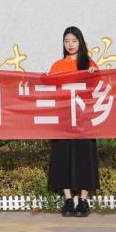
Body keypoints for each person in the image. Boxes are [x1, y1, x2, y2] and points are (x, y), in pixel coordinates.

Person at [47, 26, 100, 217]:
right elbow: (50, 90)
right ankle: (68, 199)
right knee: (63, 157)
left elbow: (98, 90)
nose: (70, 45)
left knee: (85, 157)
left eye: (74, 41)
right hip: (63, 119)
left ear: (81, 43)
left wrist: (94, 75)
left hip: (84, 119)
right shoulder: (57, 66)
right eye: (67, 41)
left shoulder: (90, 64)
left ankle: (83, 199)